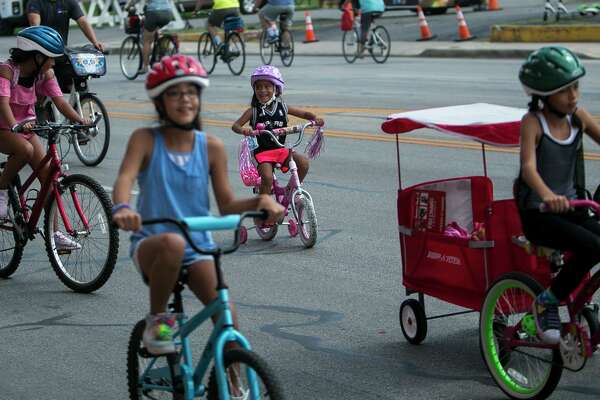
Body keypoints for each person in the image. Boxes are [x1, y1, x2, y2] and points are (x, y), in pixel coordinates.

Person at [111, 55, 284, 355]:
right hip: (153, 242)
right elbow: (124, 180)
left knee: (226, 317)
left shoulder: (212, 147)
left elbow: (228, 203)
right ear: (159, 102)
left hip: (198, 245)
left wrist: (261, 199)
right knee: (173, 243)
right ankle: (158, 321)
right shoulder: (145, 140)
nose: (185, 100)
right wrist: (123, 208)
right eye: (174, 93)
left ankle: (236, 380)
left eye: (191, 92)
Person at [515, 46, 600, 344]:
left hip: (574, 210)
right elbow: (528, 168)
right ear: (544, 93)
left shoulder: (578, 118)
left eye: (575, 87)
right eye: (564, 91)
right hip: (540, 215)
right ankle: (547, 301)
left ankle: (573, 304)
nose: (573, 96)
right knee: (592, 247)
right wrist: (547, 195)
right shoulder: (533, 123)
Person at [0, 26, 89, 249]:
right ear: (37, 56)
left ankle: (55, 234)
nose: (54, 64)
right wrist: (14, 126)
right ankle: (1, 189)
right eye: (51, 58)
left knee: (49, 177)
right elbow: (3, 103)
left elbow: (59, 101)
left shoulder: (44, 73)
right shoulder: (7, 71)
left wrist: (80, 120)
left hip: (26, 129)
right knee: (26, 150)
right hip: (4, 129)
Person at [231, 65, 324, 197]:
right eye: (258, 87)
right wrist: (244, 130)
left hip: (280, 150)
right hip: (262, 154)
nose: (262, 90)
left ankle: (289, 192)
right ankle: (264, 208)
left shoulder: (283, 107)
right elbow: (235, 126)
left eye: (267, 87)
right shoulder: (253, 111)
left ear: (276, 89)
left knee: (303, 163)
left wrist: (314, 118)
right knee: (267, 178)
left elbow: (303, 113)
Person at [27, 0, 106, 93]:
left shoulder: (69, 2)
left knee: (73, 80)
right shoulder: (35, 2)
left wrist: (95, 42)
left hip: (61, 52)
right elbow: (35, 26)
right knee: (47, 88)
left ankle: (76, 101)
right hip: (42, 52)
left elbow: (83, 22)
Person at [125, 0, 174, 74]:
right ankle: (161, 49)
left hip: (154, 12)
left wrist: (128, 6)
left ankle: (146, 67)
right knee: (155, 31)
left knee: (146, 40)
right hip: (168, 12)